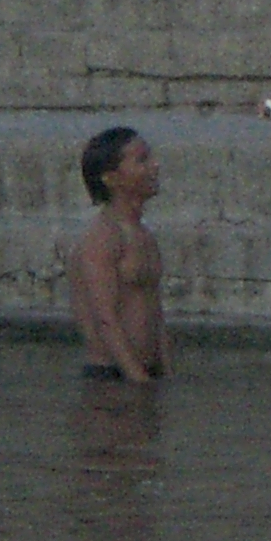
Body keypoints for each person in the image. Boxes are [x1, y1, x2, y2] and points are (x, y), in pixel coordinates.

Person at [68, 126, 169, 383]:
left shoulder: (144, 235)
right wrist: (138, 381)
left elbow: (155, 313)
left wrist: (165, 374)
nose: (155, 166)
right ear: (111, 178)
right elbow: (105, 320)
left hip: (146, 373)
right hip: (112, 377)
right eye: (142, 160)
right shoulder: (102, 238)